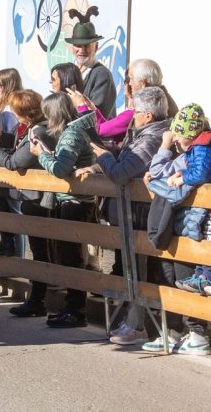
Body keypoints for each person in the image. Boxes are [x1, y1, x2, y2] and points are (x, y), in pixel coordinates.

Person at [75, 86, 171, 345]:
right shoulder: (146, 132)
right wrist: (96, 164)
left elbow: (121, 173)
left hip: (142, 216)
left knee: (140, 271)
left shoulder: (152, 138)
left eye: (136, 111)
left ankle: (138, 325)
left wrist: (102, 155)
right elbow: (122, 157)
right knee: (133, 270)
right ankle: (136, 322)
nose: (132, 115)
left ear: (147, 116)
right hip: (136, 215)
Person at [0, 89, 57, 315]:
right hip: (34, 198)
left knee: (40, 252)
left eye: (15, 110)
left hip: (38, 200)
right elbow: (18, 148)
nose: (12, 112)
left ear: (25, 113)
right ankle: (37, 299)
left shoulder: (39, 132)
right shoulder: (36, 128)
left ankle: (37, 300)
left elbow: (13, 162)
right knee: (40, 251)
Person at [142, 103, 211, 354]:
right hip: (179, 224)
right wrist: (165, 146)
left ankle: (197, 334)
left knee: (187, 277)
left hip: (194, 226)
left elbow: (199, 173)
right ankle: (173, 331)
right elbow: (158, 170)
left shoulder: (201, 151)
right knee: (171, 275)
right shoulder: (187, 154)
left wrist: (181, 177)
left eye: (179, 137)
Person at [30, 92, 96, 328]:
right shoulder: (76, 130)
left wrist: (41, 156)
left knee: (72, 258)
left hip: (74, 202)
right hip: (73, 201)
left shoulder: (71, 134)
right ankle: (72, 307)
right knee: (69, 257)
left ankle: (76, 310)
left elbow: (60, 169)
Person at [63, 7, 117, 118]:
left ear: (96, 47)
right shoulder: (71, 71)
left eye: (86, 46)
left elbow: (97, 116)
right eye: (78, 45)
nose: (82, 50)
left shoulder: (102, 75)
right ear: (72, 47)